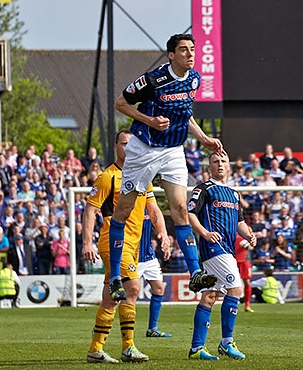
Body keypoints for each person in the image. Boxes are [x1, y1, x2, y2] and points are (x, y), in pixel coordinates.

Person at [107, 33, 222, 301]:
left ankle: (195, 273)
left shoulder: (194, 79)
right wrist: (149, 120)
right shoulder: (153, 79)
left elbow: (185, 113)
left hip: (173, 150)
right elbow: (120, 103)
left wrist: (203, 138)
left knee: (181, 208)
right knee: (123, 211)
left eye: (192, 49)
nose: (190, 54)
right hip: (144, 149)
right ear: (171, 55)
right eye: (184, 50)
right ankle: (114, 276)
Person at [82, 130, 168, 364]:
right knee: (132, 288)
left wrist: (163, 232)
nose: (128, 148)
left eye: (132, 145)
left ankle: (96, 350)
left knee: (111, 298)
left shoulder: (143, 175)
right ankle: (128, 347)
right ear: (116, 148)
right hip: (113, 242)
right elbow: (90, 209)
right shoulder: (107, 176)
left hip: (133, 244)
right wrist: (86, 241)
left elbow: (153, 208)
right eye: (123, 144)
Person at [186, 151, 257, 360]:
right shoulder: (204, 189)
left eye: (223, 161)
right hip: (214, 248)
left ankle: (196, 348)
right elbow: (190, 214)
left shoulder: (234, 194)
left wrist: (250, 235)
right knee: (236, 289)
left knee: (209, 297)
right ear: (209, 167)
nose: (219, 164)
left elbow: (239, 223)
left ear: (229, 166)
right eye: (215, 162)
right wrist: (205, 233)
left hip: (227, 249)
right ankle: (226, 343)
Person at [138, 209, 172, 338]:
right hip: (132, 256)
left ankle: (152, 328)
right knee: (125, 294)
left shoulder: (149, 206)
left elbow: (159, 223)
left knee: (159, 288)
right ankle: (102, 325)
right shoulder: (128, 203)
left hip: (148, 255)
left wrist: (165, 243)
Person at [234, 233, 255, 313]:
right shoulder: (230, 230)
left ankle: (247, 305)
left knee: (247, 282)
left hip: (244, 261)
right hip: (233, 260)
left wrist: (247, 244)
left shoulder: (245, 230)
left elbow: (251, 247)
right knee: (230, 283)